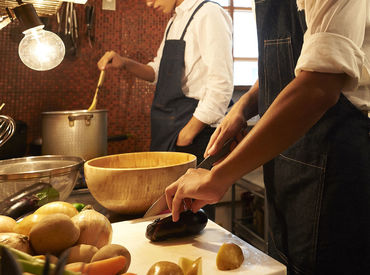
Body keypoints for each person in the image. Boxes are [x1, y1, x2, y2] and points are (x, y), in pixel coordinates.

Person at [165, 0, 370, 274]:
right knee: (282, 264)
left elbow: (320, 85)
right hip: (286, 166)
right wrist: (244, 105)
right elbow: (294, 64)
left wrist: (219, 177)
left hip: (336, 166)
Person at [97, 0, 233, 164]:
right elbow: (157, 72)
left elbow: (221, 84)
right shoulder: (175, 21)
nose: (149, 3)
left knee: (192, 190)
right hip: (170, 130)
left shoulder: (209, 13)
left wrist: (188, 133)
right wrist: (125, 63)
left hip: (196, 132)